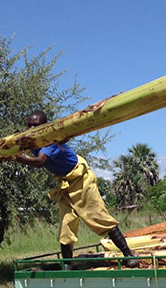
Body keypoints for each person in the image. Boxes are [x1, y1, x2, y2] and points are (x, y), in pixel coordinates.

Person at [11, 110, 139, 268]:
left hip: (80, 179)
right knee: (66, 224)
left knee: (98, 217)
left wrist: (17, 157)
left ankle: (128, 254)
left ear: (45, 127)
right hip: (65, 182)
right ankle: (68, 264)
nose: (31, 128)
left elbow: (39, 162)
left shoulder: (51, 142)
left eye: (36, 125)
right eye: (29, 125)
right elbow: (14, 145)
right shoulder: (31, 140)